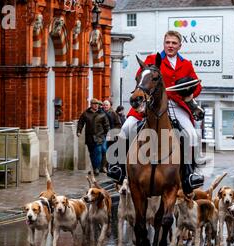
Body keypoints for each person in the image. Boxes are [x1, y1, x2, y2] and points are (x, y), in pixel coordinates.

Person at [107, 30, 204, 194]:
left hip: (176, 104)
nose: (170, 46)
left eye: (174, 43)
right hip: (151, 103)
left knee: (192, 134)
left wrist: (189, 94)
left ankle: (190, 173)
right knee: (126, 128)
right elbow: (141, 76)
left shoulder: (186, 64)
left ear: (179, 45)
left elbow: (197, 85)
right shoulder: (152, 59)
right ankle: (118, 167)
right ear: (164, 43)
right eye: (168, 42)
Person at [76, 98, 110, 176]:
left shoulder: (102, 113)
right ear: (91, 105)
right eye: (94, 104)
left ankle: (98, 168)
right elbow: (81, 122)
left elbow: (106, 125)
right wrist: (78, 131)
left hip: (100, 136)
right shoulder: (86, 113)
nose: (96, 106)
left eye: (97, 104)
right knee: (92, 153)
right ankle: (95, 167)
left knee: (100, 151)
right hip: (90, 137)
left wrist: (109, 133)